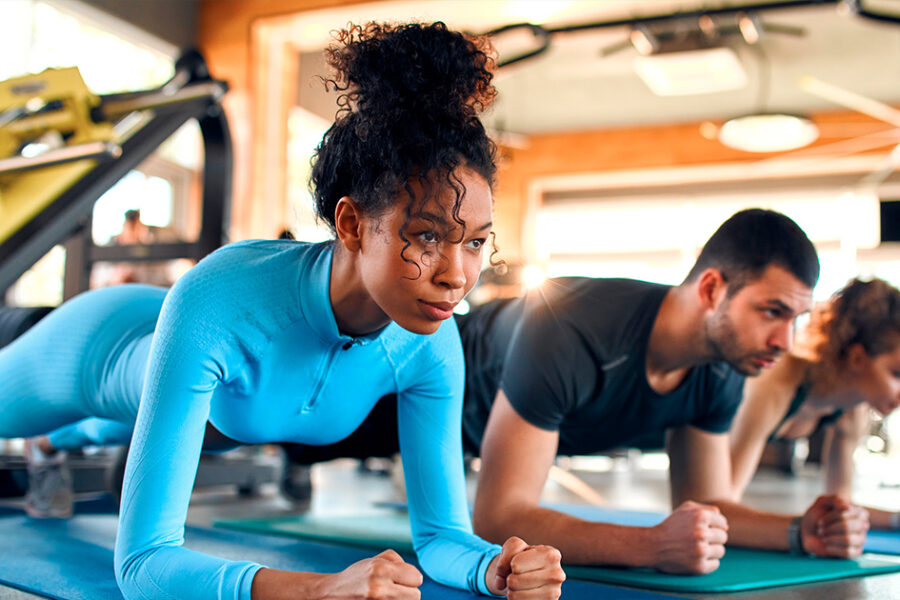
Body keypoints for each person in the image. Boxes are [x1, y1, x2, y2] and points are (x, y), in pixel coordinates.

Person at [0, 22, 565, 600]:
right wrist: (318, 590)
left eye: (473, 242)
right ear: (350, 224)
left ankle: (52, 446)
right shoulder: (221, 301)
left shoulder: (430, 344)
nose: (456, 275)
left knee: (138, 424)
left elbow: (444, 536)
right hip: (102, 344)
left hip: (215, 407)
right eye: (425, 237)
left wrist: (489, 568)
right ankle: (46, 440)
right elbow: (143, 563)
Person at [282, 208, 862, 573]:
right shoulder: (575, 326)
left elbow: (708, 506)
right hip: (410, 381)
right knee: (278, 428)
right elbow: (498, 516)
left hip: (468, 431)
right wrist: (648, 546)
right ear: (712, 288)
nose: (786, 340)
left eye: (796, 320)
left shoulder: (723, 369)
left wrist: (798, 532)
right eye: (773, 312)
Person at [730, 277, 900, 534]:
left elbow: (841, 507)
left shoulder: (852, 410)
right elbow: (720, 504)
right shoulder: (777, 383)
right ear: (857, 358)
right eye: (897, 374)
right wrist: (801, 532)